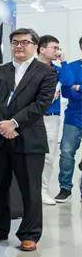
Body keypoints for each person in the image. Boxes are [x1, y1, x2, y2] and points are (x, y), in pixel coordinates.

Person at [0, 28, 58, 252]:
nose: (19, 46)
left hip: (29, 139)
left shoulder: (46, 72)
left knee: (30, 190)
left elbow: (41, 104)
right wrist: (2, 124)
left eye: (25, 42)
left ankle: (30, 234)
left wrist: (13, 123)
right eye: (15, 42)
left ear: (35, 46)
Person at [36, 35, 62, 205]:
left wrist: (63, 62)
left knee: (48, 156)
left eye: (58, 48)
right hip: (33, 117)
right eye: (54, 47)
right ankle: (30, 191)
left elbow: (69, 82)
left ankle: (43, 190)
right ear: (42, 49)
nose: (57, 51)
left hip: (52, 118)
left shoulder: (58, 70)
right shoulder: (31, 68)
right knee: (30, 156)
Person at [54, 38, 82, 203]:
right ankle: (65, 188)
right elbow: (66, 92)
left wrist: (79, 87)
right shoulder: (71, 67)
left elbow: (74, 90)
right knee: (66, 153)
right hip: (73, 117)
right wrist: (74, 90)